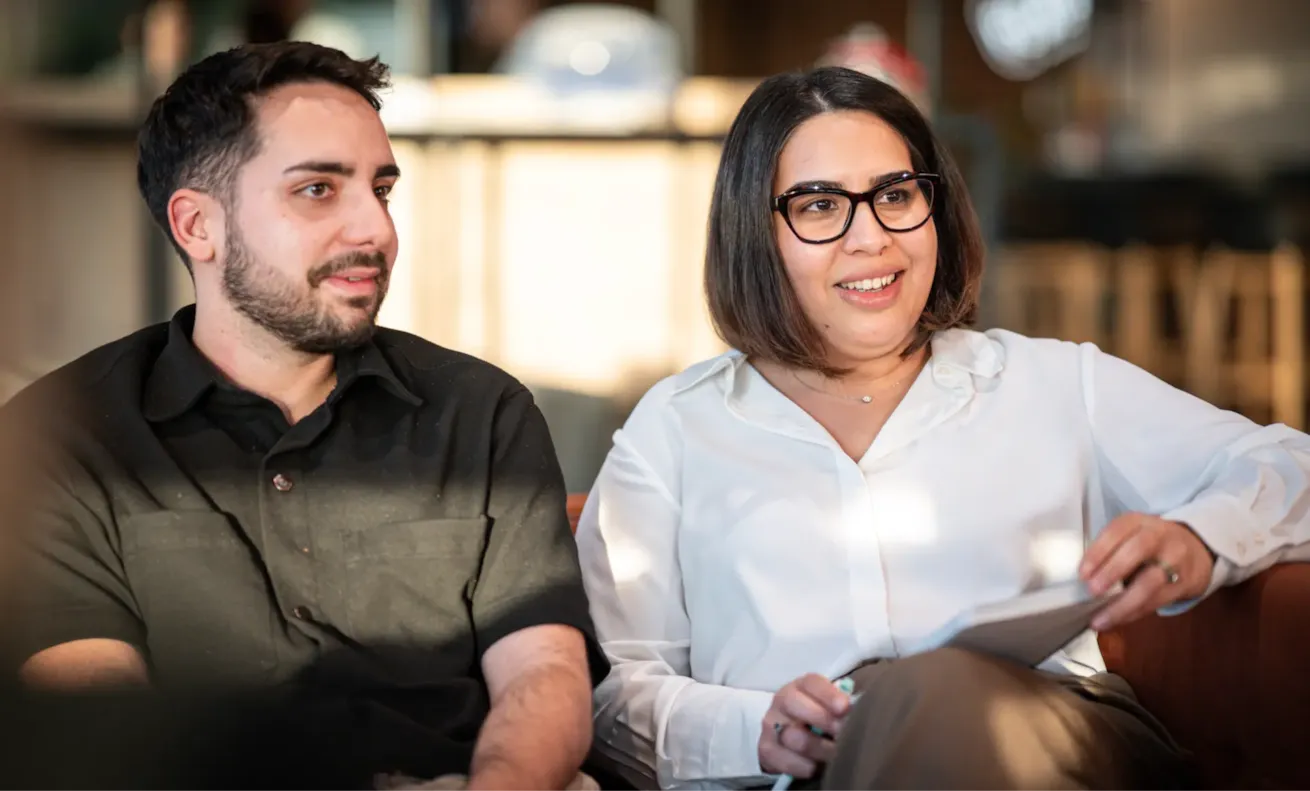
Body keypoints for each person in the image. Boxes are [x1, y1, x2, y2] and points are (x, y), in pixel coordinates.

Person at [574, 66, 1310, 791]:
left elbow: (1289, 463)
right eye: (821, 206)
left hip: (1046, 741)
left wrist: (1199, 538)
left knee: (936, 698)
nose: (873, 239)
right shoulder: (674, 429)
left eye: (896, 195)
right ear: (753, 233)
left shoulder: (1051, 383)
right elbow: (610, 693)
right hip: (801, 774)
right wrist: (757, 728)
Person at [7, 41, 605, 791]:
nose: (375, 230)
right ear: (198, 226)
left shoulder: (479, 410)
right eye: (318, 190)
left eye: (381, 190)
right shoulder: (65, 433)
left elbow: (544, 672)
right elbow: (93, 709)